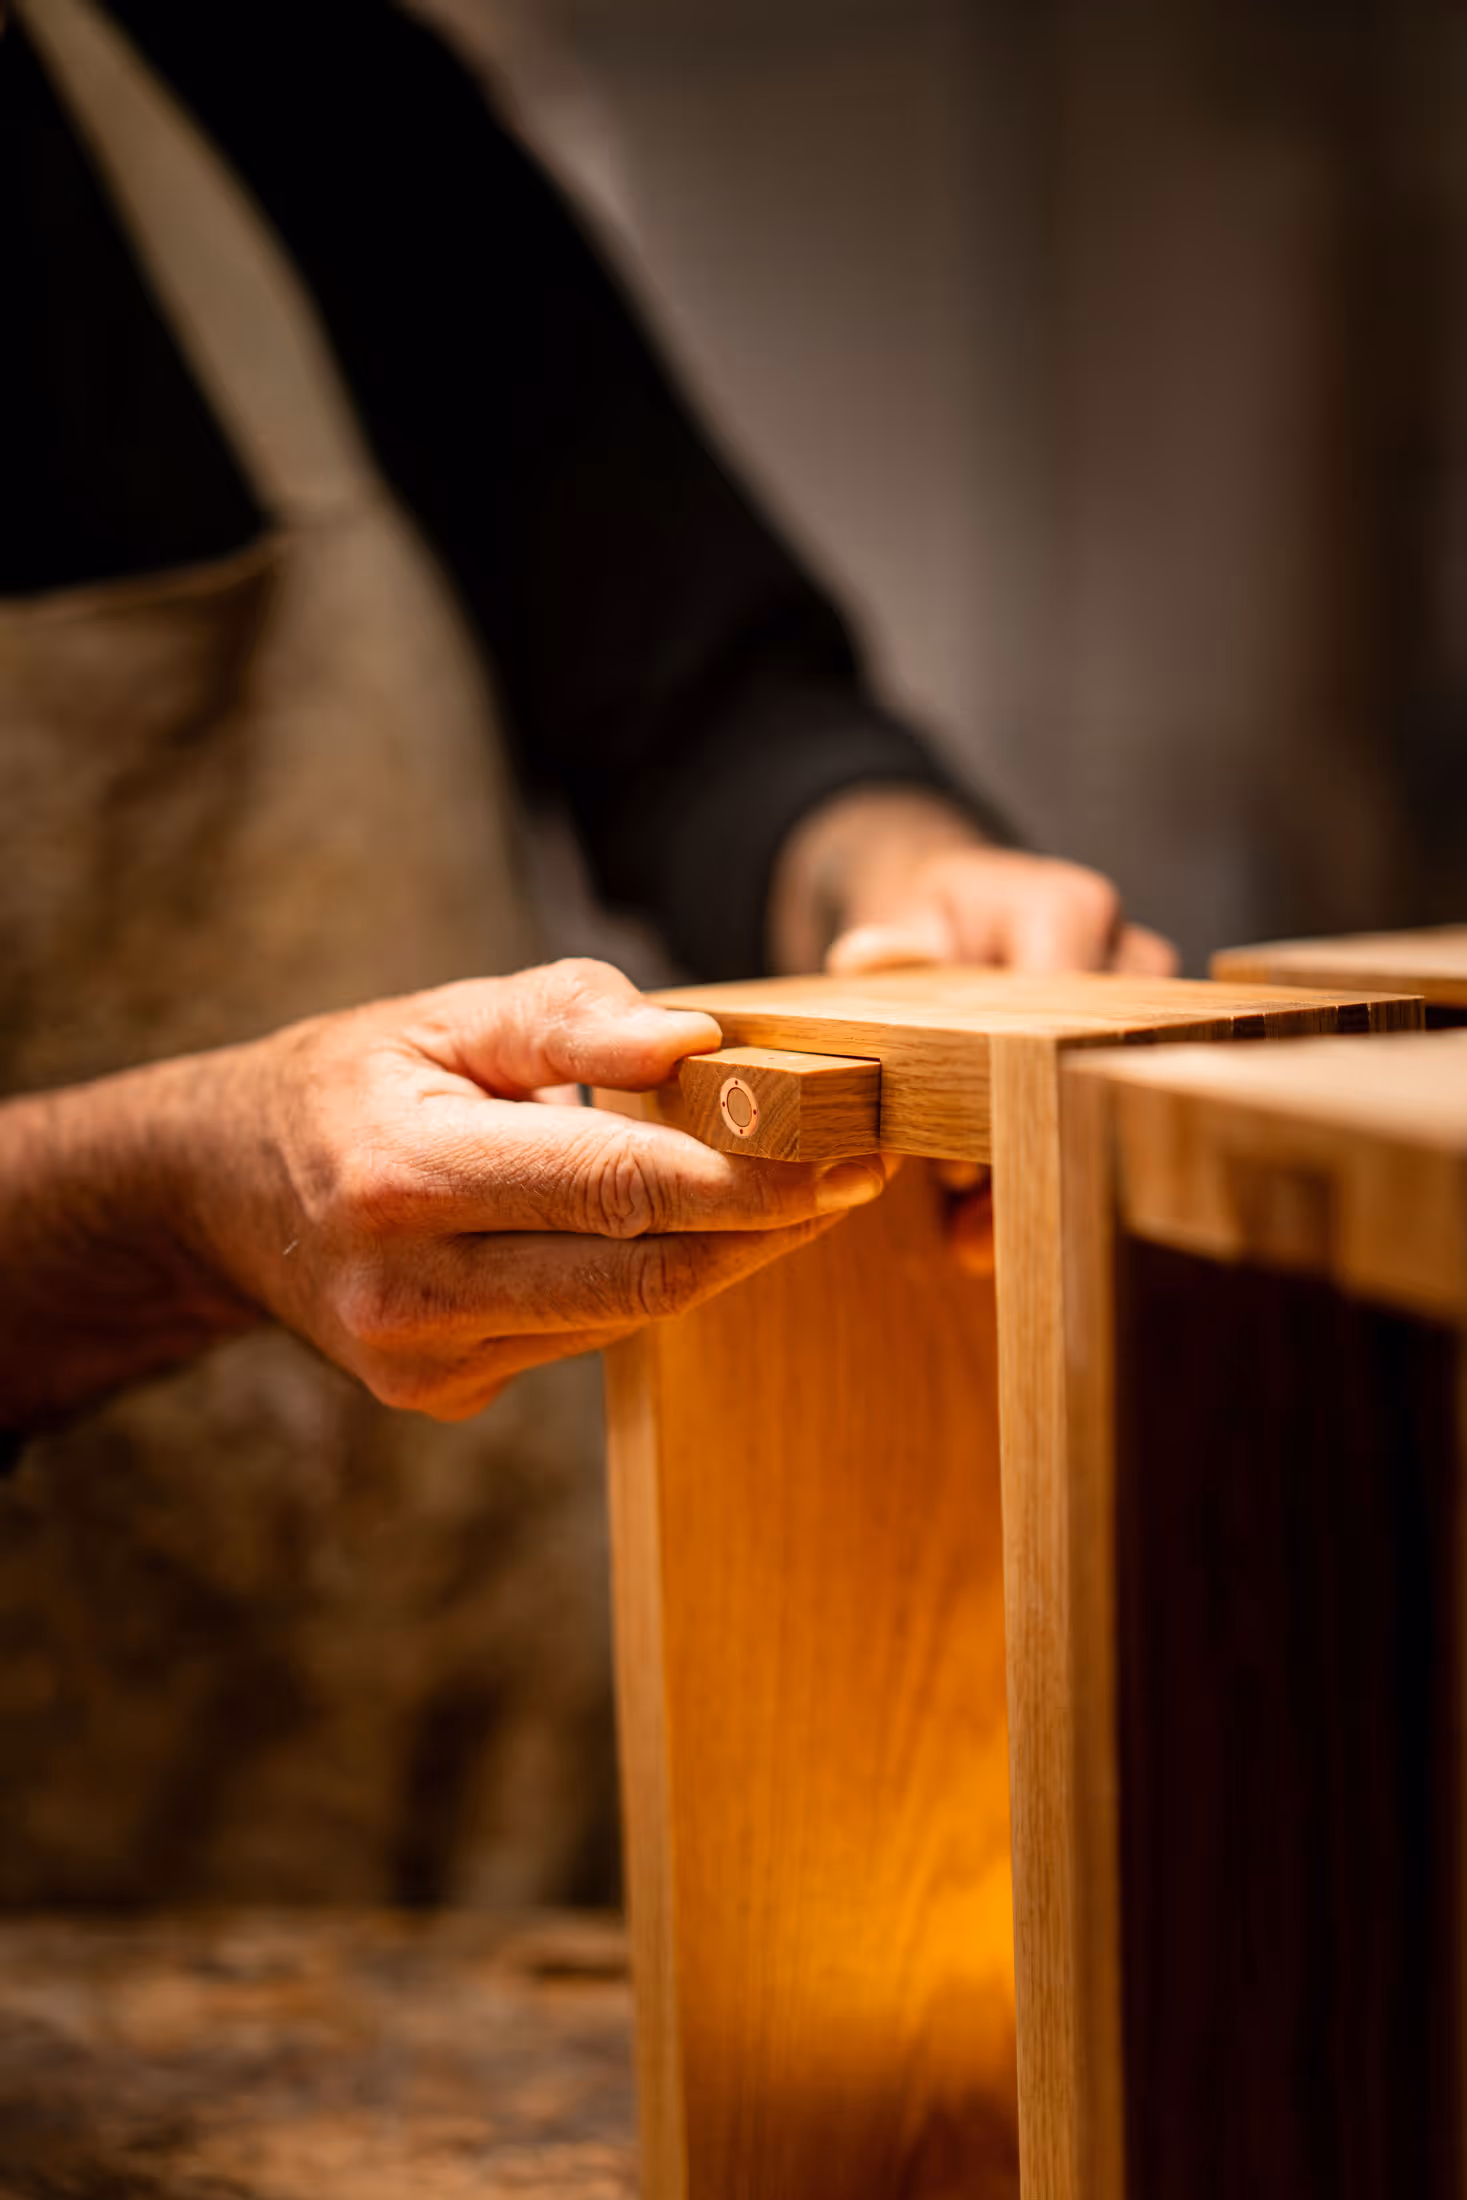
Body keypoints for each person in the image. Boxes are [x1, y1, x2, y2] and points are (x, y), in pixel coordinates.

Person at [0, 0, 1175, 1908]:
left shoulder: (285, 70)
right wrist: (165, 1202)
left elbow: (708, 709)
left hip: (479, 1782)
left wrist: (894, 870)